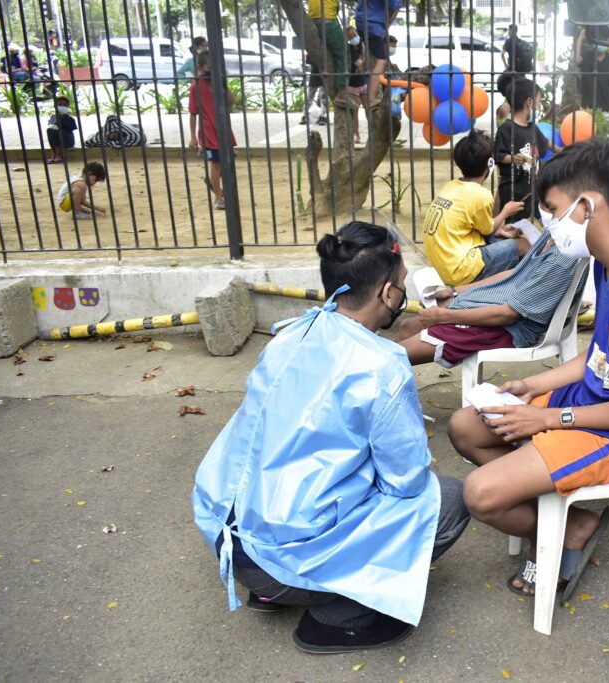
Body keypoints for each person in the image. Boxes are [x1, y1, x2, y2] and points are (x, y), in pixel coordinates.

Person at [193, 221, 469, 654]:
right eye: (400, 286)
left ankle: (267, 592)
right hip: (281, 562)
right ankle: (340, 614)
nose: (401, 295)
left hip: (228, 537)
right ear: (387, 295)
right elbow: (407, 481)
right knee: (450, 499)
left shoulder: (288, 335)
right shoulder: (382, 364)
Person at [448, 141, 609, 599]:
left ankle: (564, 526)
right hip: (593, 400)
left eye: (551, 210)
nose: (547, 224)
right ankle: (571, 518)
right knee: (466, 426)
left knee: (480, 495)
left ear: (587, 207)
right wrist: (531, 385)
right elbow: (596, 357)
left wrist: (546, 418)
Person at [396, 219, 587, 369]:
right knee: (407, 327)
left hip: (506, 330)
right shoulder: (553, 236)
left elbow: (508, 315)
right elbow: (513, 273)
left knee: (394, 356)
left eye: (550, 206)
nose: (544, 212)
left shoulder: (561, 260)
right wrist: (454, 291)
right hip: (493, 308)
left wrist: (443, 316)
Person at [421, 130, 527, 287]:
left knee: (502, 238)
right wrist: (506, 211)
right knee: (524, 245)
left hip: (440, 268)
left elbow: (479, 227)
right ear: (490, 163)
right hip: (458, 272)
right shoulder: (480, 195)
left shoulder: (450, 187)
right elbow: (487, 229)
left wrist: (498, 230)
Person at [494, 78, 555, 222]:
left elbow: (546, 144)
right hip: (514, 192)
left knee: (546, 220)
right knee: (516, 229)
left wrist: (565, 148)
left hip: (533, 189)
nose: (539, 105)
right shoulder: (506, 129)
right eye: (539, 101)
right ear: (529, 102)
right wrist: (513, 158)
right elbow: (499, 155)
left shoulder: (532, 128)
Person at [188, 51, 236, 210]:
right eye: (208, 69)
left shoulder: (218, 82)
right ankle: (218, 197)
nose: (210, 73)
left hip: (223, 130)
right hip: (209, 133)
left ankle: (221, 189)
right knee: (216, 164)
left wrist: (223, 84)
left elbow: (232, 100)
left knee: (227, 163)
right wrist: (193, 137)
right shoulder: (195, 86)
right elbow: (193, 113)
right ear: (200, 68)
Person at [307, 0, 356, 112]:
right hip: (327, 21)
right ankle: (342, 95)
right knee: (344, 54)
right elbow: (337, 7)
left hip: (312, 21)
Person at [354, 0, 402, 108]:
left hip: (360, 21)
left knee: (362, 52)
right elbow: (395, 6)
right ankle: (371, 98)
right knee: (381, 61)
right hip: (373, 24)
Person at [346, 26, 366, 144]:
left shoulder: (362, 46)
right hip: (352, 85)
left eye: (355, 34)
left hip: (363, 83)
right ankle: (356, 135)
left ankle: (372, 134)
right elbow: (360, 64)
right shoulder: (350, 49)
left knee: (370, 109)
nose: (354, 37)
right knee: (355, 111)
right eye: (351, 36)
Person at [46, 94, 78, 163]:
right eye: (60, 104)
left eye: (64, 104)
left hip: (66, 139)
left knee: (56, 131)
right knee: (51, 130)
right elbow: (51, 126)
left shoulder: (70, 118)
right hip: (55, 139)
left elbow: (72, 127)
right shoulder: (53, 117)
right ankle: (54, 153)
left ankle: (58, 155)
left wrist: (63, 118)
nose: (62, 106)